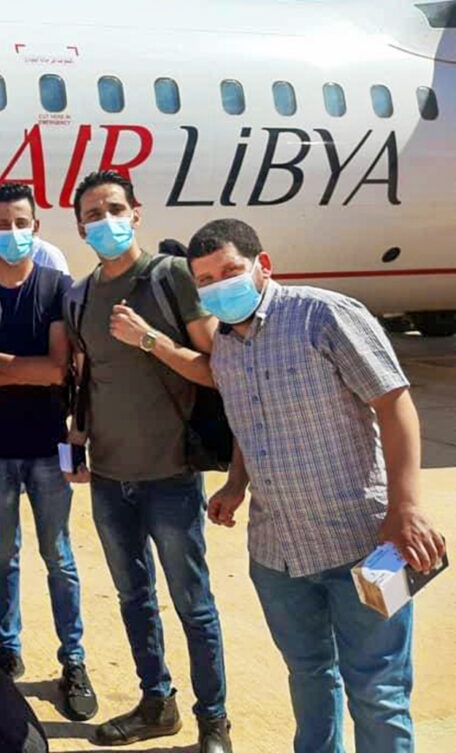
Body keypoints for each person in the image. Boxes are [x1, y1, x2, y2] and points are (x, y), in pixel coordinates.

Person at [188, 218, 446, 753]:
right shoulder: (227, 348)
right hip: (278, 555)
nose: (219, 286)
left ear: (263, 266)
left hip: (367, 544)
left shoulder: (324, 315)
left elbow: (395, 403)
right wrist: (236, 483)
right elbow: (246, 422)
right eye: (206, 279)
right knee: (308, 679)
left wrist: (407, 509)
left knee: (379, 692)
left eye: (230, 271)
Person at [64, 171, 231, 752]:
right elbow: (85, 380)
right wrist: (75, 447)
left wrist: (150, 341)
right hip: (109, 477)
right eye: (92, 212)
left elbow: (217, 367)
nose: (104, 219)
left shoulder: (170, 276)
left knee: (193, 603)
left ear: (135, 212)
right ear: (81, 226)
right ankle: (156, 702)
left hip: (170, 475)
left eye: (114, 207)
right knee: (134, 597)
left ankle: (214, 720)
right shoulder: (79, 294)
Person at [0, 182, 96, 723]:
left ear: (37, 225)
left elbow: (57, 369)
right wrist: (16, 367)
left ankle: (73, 659)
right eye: (3, 225)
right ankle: (7, 647)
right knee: (2, 554)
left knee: (59, 556)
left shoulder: (57, 287)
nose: (13, 233)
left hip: (46, 446)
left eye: (23, 223)